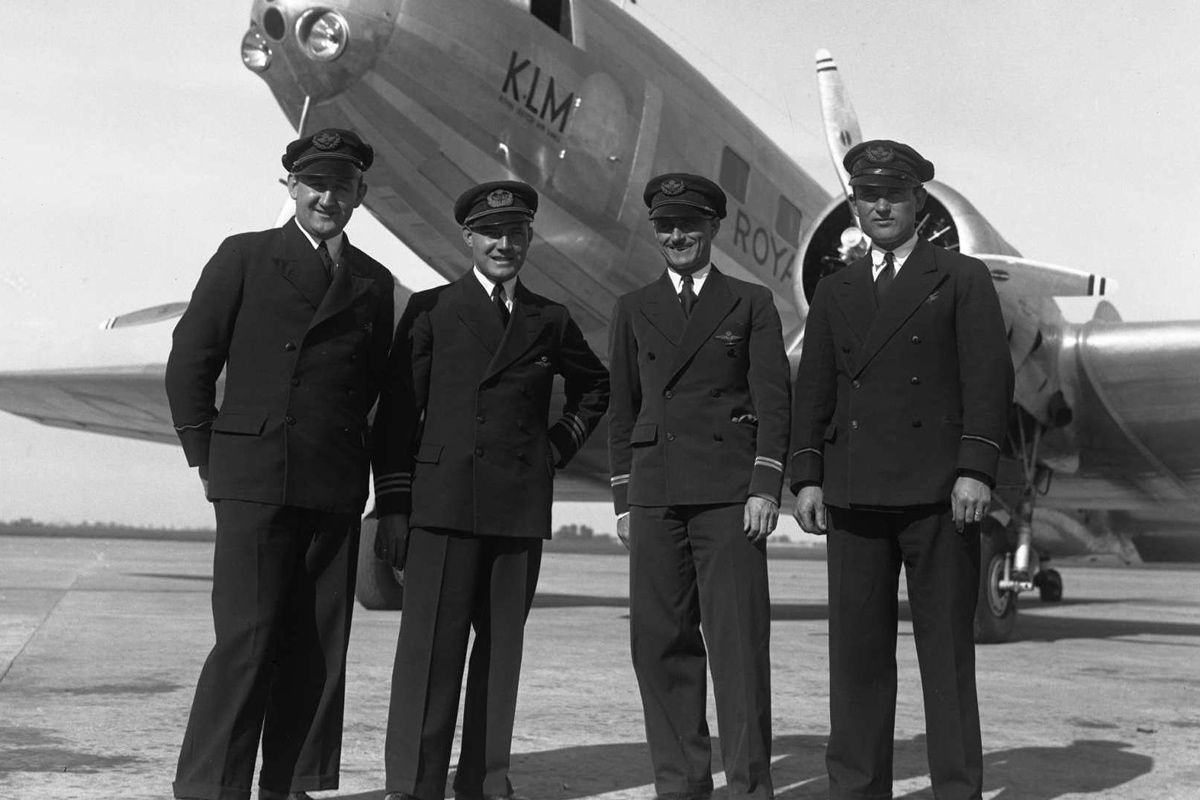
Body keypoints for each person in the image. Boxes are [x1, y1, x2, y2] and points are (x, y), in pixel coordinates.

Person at [165, 128, 396, 800]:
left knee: (316, 649)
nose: (328, 196)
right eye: (315, 183)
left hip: (333, 484)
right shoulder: (245, 257)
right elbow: (191, 361)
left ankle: (292, 784)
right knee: (247, 639)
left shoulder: (374, 283)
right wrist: (206, 457)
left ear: (361, 194)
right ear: (290, 186)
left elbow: (378, 390)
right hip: (254, 479)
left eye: (343, 186)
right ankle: (211, 787)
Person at [789, 140, 1014, 800]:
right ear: (854, 205)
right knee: (856, 663)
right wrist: (806, 477)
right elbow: (815, 390)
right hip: (855, 499)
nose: (880, 205)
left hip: (940, 498)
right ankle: (856, 790)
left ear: (918, 201)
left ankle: (956, 790)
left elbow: (988, 381)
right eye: (867, 196)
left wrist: (975, 469)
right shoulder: (836, 289)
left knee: (945, 659)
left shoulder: (962, 278)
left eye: (894, 194)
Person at [371, 180, 609, 800]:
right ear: (469, 238)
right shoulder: (431, 311)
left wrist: (557, 447)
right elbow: (397, 416)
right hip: (442, 508)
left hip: (517, 510)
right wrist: (394, 505)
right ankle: (413, 786)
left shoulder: (548, 319)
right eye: (492, 234)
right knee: (429, 656)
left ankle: (484, 782)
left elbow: (597, 387)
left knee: (500, 657)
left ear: (529, 238)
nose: (505, 244)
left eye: (517, 233)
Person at [607, 173, 791, 800]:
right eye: (666, 226)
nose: (677, 235)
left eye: (689, 224)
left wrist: (766, 487)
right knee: (659, 645)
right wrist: (624, 498)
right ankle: (681, 785)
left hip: (728, 497)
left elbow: (774, 403)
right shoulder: (633, 308)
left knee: (738, 647)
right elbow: (622, 407)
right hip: (655, 496)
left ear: (713, 228)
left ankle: (747, 787)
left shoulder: (751, 303)